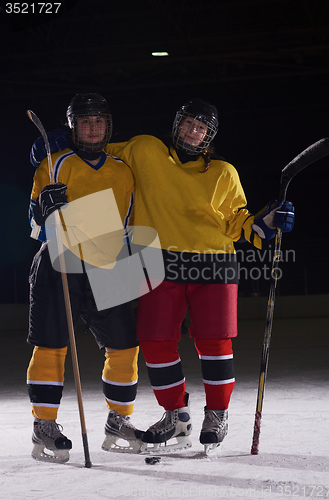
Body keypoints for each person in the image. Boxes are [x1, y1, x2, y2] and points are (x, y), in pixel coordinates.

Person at [31, 98, 295, 454]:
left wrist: (265, 225)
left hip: (200, 264)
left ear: (209, 136)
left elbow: (239, 223)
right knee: (147, 341)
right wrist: (55, 149)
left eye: (201, 128)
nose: (192, 131)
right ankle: (171, 415)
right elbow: (91, 155)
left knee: (182, 344)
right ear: (176, 123)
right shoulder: (142, 150)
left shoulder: (218, 173)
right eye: (188, 123)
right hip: (140, 262)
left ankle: (204, 415)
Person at [27, 93, 144, 463]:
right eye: (84, 121)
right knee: (52, 344)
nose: (92, 128)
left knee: (126, 346)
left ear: (108, 126)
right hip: (60, 262)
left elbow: (126, 225)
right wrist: (47, 215)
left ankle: (119, 421)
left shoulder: (124, 170)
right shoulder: (54, 164)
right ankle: (44, 425)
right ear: (72, 127)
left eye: (98, 121)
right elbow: (33, 226)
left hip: (110, 262)